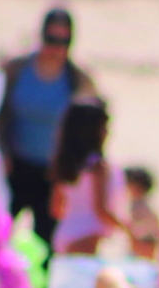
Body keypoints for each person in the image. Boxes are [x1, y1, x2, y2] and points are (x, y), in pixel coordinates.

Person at [0, 8, 96, 266]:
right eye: (51, 39)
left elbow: (91, 126)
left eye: (64, 41)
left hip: (53, 175)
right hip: (14, 166)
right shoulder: (16, 70)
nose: (56, 48)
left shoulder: (77, 79)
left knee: (45, 245)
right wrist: (2, 153)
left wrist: (70, 172)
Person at [49, 97, 127, 255]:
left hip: (64, 232)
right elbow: (101, 210)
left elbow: (56, 208)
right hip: (89, 236)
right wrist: (129, 231)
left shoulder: (66, 164)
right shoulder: (97, 167)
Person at [123, 166, 159, 265]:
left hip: (145, 244)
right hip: (138, 247)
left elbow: (156, 231)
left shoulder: (145, 207)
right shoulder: (134, 204)